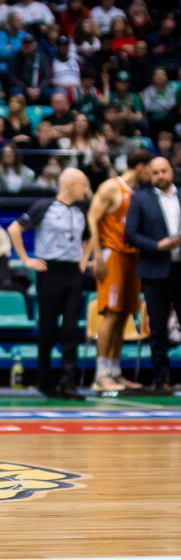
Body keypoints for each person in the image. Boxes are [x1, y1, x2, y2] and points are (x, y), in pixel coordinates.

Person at [8, 168, 91, 400]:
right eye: (84, 184)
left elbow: (92, 235)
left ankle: (68, 383)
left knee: (71, 329)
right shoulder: (44, 207)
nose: (86, 190)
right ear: (71, 184)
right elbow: (14, 228)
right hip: (50, 270)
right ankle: (45, 381)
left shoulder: (81, 210)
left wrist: (84, 259)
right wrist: (26, 259)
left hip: (73, 272)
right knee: (48, 329)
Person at [86, 149, 152, 392]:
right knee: (111, 314)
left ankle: (115, 371)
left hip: (132, 256)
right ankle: (100, 373)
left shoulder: (140, 193)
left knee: (125, 314)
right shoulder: (112, 187)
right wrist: (97, 254)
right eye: (150, 169)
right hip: (111, 253)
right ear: (140, 167)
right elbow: (92, 218)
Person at [125, 157, 181, 393]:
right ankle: (160, 380)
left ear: (171, 171)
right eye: (155, 172)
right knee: (157, 328)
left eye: (164, 171)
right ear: (150, 174)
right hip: (154, 270)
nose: (160, 176)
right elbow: (131, 235)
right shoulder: (140, 199)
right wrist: (157, 246)